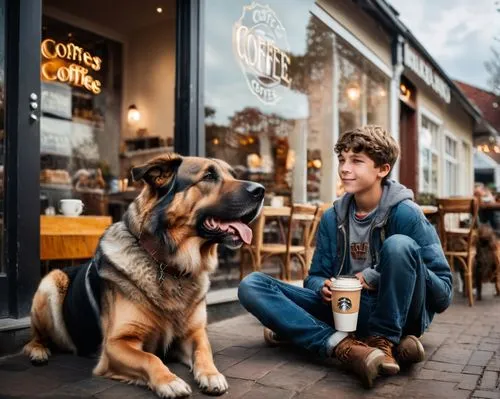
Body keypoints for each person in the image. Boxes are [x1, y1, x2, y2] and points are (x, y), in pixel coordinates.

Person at [238, 125, 452, 388]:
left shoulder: (406, 213)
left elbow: (443, 294)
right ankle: (346, 347)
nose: (344, 168)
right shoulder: (332, 217)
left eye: (357, 161)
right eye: (342, 160)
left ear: (382, 169)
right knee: (252, 285)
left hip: (397, 312)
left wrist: (384, 270)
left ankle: (383, 340)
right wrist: (322, 286)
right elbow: (315, 276)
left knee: (399, 245)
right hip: (345, 311)